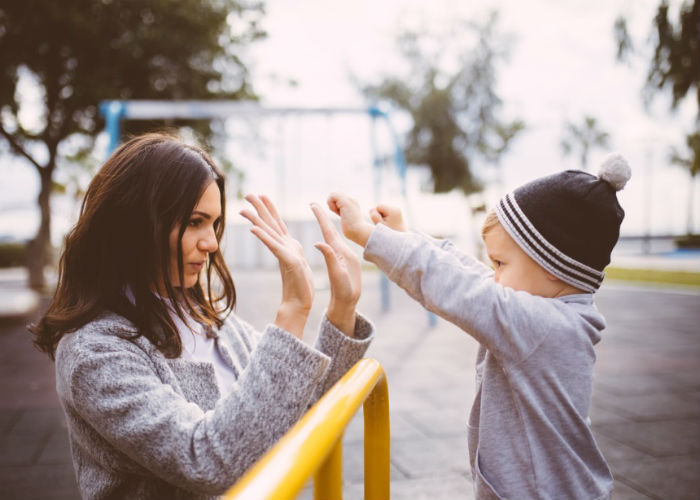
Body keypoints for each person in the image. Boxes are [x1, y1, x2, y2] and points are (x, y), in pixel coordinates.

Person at [29, 132, 374, 500]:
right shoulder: (93, 352)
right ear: (135, 223)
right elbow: (207, 461)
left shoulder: (212, 322)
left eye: (213, 223)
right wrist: (292, 312)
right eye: (195, 221)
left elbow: (295, 409)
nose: (211, 242)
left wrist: (342, 309)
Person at [328, 153, 632, 500]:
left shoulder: (543, 325)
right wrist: (404, 235)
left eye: (501, 262)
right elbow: (472, 274)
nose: (495, 274)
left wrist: (369, 237)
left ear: (552, 265)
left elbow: (460, 287)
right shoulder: (554, 311)